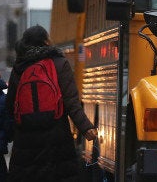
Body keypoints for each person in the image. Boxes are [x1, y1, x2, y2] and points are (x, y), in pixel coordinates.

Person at [6, 25, 97, 182]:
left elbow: (10, 105)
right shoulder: (59, 63)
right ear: (46, 41)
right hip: (56, 135)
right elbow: (71, 102)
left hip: (26, 138)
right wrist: (86, 127)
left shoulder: (19, 67)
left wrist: (9, 133)